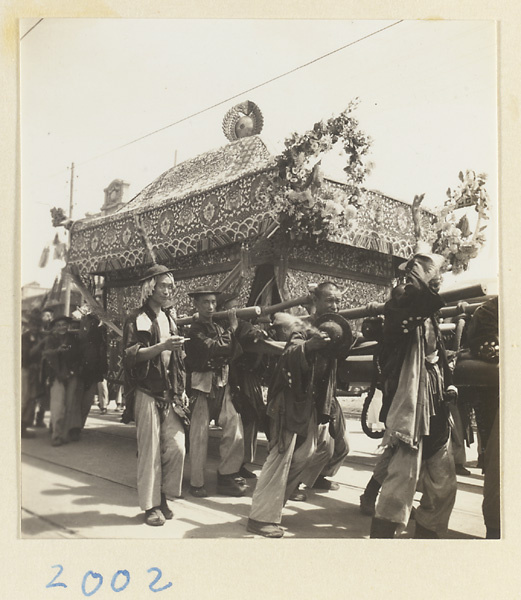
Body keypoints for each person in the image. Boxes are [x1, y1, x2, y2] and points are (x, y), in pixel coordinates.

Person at [247, 282, 352, 538]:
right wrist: (308, 347)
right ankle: (260, 517)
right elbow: (288, 355)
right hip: (288, 404)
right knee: (281, 455)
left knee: (307, 454)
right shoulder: (302, 329)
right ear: (315, 301)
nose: (335, 306)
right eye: (329, 301)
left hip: (310, 405)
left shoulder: (334, 331)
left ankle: (275, 504)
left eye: (338, 301)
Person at [369, 252, 458, 539]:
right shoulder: (399, 308)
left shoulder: (429, 311)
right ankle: (379, 541)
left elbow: (438, 355)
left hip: (435, 401)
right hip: (410, 404)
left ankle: (426, 540)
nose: (438, 283)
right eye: (433, 276)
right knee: (400, 483)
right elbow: (418, 298)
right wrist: (419, 273)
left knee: (444, 484)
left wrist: (448, 382)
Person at [122, 264, 189, 527]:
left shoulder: (170, 318)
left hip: (169, 392)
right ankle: (152, 506)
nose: (169, 290)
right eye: (164, 285)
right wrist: (161, 346)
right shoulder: (136, 318)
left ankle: (163, 495)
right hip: (146, 391)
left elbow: (178, 360)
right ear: (150, 288)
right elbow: (130, 356)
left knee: (177, 447)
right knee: (149, 451)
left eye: (171, 285)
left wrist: (181, 390)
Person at [184, 287, 247, 498]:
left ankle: (227, 475)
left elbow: (235, 352)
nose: (210, 307)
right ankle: (196, 482)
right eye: (205, 303)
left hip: (222, 384)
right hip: (201, 387)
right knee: (199, 436)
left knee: (234, 428)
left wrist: (230, 335)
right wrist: (233, 330)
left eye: (213, 302)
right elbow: (213, 348)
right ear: (197, 305)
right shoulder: (194, 330)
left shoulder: (218, 327)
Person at [216, 292, 270, 480]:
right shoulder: (218, 327)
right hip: (232, 379)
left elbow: (251, 334)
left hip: (248, 378)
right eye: (232, 307)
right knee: (237, 422)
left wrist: (260, 333)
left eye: (238, 307)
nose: (236, 310)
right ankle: (231, 467)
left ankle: (242, 463)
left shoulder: (244, 325)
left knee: (251, 420)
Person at [42, 315, 82, 446]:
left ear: (68, 325)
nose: (62, 327)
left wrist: (73, 371)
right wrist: (57, 351)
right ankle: (56, 435)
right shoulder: (50, 339)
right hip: (56, 376)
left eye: (64, 324)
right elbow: (46, 353)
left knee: (70, 406)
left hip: (72, 375)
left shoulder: (73, 339)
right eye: (58, 325)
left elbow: (78, 356)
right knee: (57, 406)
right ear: (54, 327)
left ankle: (64, 435)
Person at [78, 311, 109, 423]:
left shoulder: (100, 334)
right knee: (83, 400)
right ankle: (77, 425)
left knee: (86, 400)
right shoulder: (85, 334)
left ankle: (78, 426)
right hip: (85, 369)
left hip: (93, 370)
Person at [21, 309, 46, 438]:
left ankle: (24, 426)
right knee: (24, 398)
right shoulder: (25, 337)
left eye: (38, 325)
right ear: (29, 324)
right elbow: (27, 355)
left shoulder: (39, 336)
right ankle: (19, 426)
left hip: (35, 372)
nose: (36, 327)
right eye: (34, 324)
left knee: (32, 399)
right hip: (25, 371)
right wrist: (40, 344)